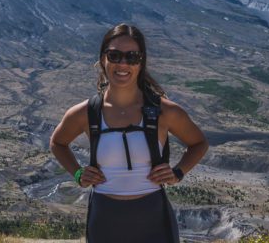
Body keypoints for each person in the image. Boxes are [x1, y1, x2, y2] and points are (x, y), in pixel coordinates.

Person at [49, 23, 208, 242]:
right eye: (114, 55)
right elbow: (57, 143)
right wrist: (78, 174)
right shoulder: (85, 113)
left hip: (154, 221)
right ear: (103, 59)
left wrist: (178, 173)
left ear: (141, 63)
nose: (123, 63)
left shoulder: (164, 111)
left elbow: (199, 143)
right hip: (105, 220)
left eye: (132, 57)